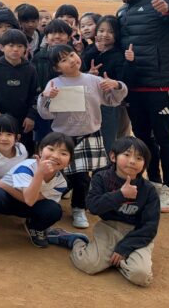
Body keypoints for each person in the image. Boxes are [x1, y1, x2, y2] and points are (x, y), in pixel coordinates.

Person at [108, 0, 169, 212]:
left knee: (165, 138)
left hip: (162, 84)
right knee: (144, 139)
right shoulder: (122, 11)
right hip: (135, 86)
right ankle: (154, 183)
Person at [38, 44, 128, 228]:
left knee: (82, 177)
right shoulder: (54, 84)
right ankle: (52, 201)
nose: (71, 60)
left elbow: (113, 100)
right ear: (57, 68)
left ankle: (79, 208)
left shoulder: (93, 80)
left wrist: (117, 85)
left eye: (72, 55)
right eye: (64, 60)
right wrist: (46, 97)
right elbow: (45, 114)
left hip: (89, 135)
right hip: (63, 137)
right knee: (58, 172)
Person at [0, 132, 74, 253]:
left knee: (54, 210)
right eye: (51, 149)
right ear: (40, 151)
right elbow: (29, 199)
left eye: (63, 153)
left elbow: (30, 201)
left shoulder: (61, 183)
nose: (55, 156)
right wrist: (39, 173)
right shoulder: (26, 168)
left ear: (69, 162)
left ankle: (34, 227)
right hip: (7, 201)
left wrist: (3, 184)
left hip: (28, 203)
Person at [70, 137, 159, 287]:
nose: (132, 161)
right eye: (127, 155)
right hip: (109, 227)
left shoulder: (149, 190)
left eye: (139, 158)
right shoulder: (101, 178)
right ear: (113, 156)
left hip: (136, 233)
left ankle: (116, 260)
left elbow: (150, 226)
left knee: (141, 276)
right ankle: (76, 241)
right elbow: (93, 207)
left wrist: (124, 248)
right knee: (89, 264)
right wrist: (121, 194)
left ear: (145, 164)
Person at [0, 29, 40, 154]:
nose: (15, 49)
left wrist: (31, 116)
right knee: (1, 150)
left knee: (24, 151)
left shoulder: (30, 69)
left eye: (20, 46)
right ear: (1, 47)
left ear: (26, 48)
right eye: (11, 45)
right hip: (0, 118)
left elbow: (35, 95)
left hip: (24, 121)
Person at [80, 15, 134, 153]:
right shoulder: (91, 50)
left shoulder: (119, 54)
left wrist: (129, 63)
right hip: (90, 104)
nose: (105, 35)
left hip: (112, 105)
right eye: (101, 30)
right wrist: (89, 72)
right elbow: (79, 70)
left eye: (111, 32)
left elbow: (126, 79)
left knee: (112, 142)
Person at [32, 18, 74, 145]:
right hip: (45, 107)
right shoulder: (38, 57)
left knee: (66, 143)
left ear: (69, 37)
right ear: (46, 37)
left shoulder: (74, 57)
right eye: (52, 33)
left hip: (68, 109)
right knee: (45, 142)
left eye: (61, 33)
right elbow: (34, 84)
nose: (57, 36)